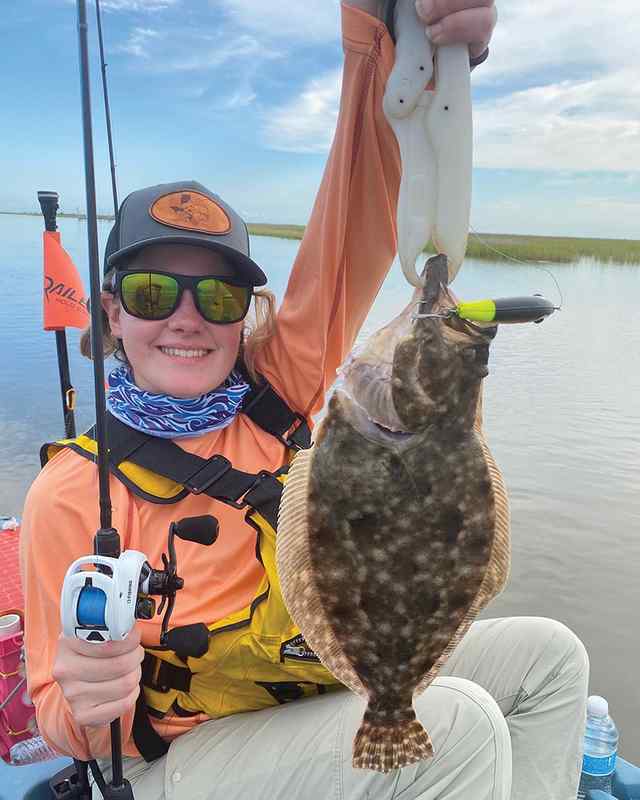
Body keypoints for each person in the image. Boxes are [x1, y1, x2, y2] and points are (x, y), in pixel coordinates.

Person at [20, 2, 589, 799]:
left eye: (217, 298)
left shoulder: (277, 386)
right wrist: (82, 700)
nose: (187, 318)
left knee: (549, 657)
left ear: (242, 317)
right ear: (112, 314)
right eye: (153, 293)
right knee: (457, 724)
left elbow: (356, 210)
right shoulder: (70, 495)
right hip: (185, 757)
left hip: (323, 679)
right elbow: (56, 715)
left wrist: (402, 38)